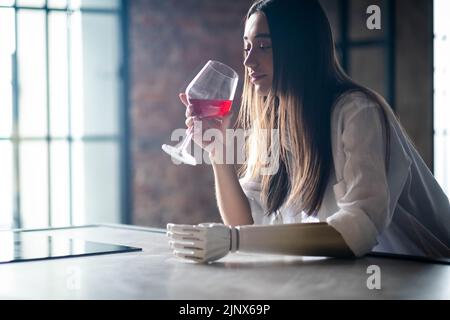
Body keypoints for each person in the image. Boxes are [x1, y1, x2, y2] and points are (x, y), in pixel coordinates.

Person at [167, 0, 450, 263]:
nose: (249, 61)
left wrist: (234, 240)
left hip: (428, 275)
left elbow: (358, 231)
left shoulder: (357, 113)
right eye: (247, 47)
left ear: (301, 48)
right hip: (354, 279)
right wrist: (219, 153)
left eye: (264, 46)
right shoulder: (274, 123)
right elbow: (244, 224)